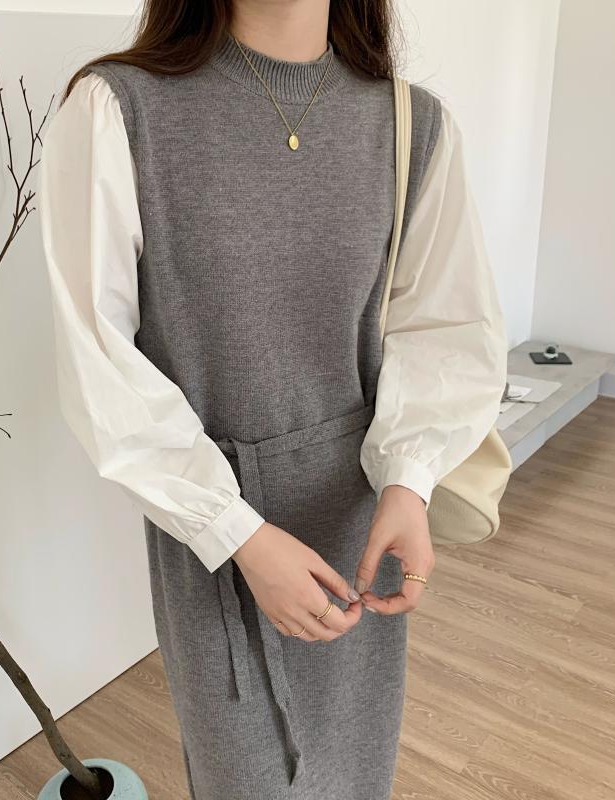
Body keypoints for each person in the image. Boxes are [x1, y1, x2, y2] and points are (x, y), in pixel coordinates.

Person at [37, 1, 508, 797]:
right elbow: (99, 363)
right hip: (218, 531)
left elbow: (445, 325)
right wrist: (238, 535)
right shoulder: (118, 110)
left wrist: (410, 481)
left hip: (361, 515)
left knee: (358, 772)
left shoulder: (414, 124)